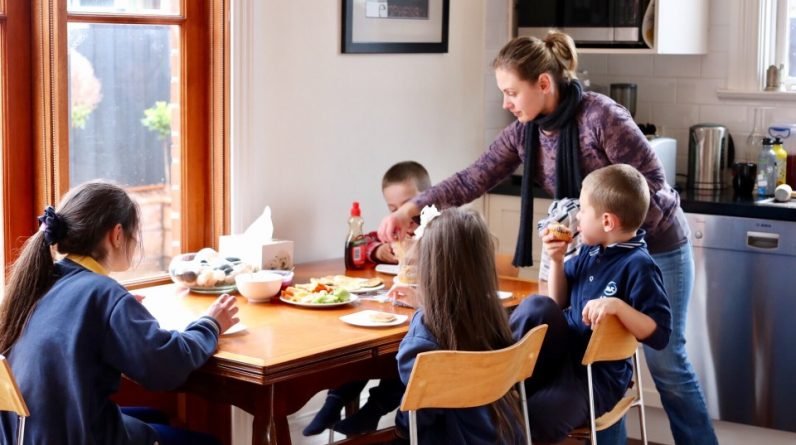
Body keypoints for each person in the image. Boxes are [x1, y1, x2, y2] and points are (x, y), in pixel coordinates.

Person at [378, 31, 718, 445]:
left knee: (666, 364)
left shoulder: (602, 118)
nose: (506, 103)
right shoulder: (527, 133)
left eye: (511, 92)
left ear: (543, 83)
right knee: (589, 351)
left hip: (654, 248)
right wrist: (409, 209)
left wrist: (599, 228)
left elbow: (656, 191)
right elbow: (474, 177)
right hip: (591, 252)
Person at [0, 181, 239, 445]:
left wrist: (122, 310)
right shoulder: (103, 293)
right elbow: (165, 366)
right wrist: (210, 324)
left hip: (27, 434)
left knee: (154, 416)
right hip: (76, 435)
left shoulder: (38, 284)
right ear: (116, 234)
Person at [509, 164, 671, 442]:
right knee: (538, 305)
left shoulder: (639, 266)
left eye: (582, 211)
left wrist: (617, 306)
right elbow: (557, 303)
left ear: (607, 222)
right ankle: (499, 367)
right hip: (562, 355)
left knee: (535, 416)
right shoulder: (590, 250)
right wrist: (558, 261)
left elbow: (659, 334)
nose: (577, 218)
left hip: (596, 377)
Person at [302, 161, 431, 437]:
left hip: (427, 321)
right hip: (398, 308)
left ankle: (372, 410)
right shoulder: (397, 230)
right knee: (358, 346)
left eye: (408, 207)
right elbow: (364, 242)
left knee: (407, 354)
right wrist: (381, 250)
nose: (403, 216)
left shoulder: (436, 229)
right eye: (393, 210)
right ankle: (334, 401)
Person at [395, 207, 525, 444]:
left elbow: (414, 419)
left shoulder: (423, 342)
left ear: (428, 270)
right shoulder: (495, 320)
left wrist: (399, 423)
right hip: (505, 436)